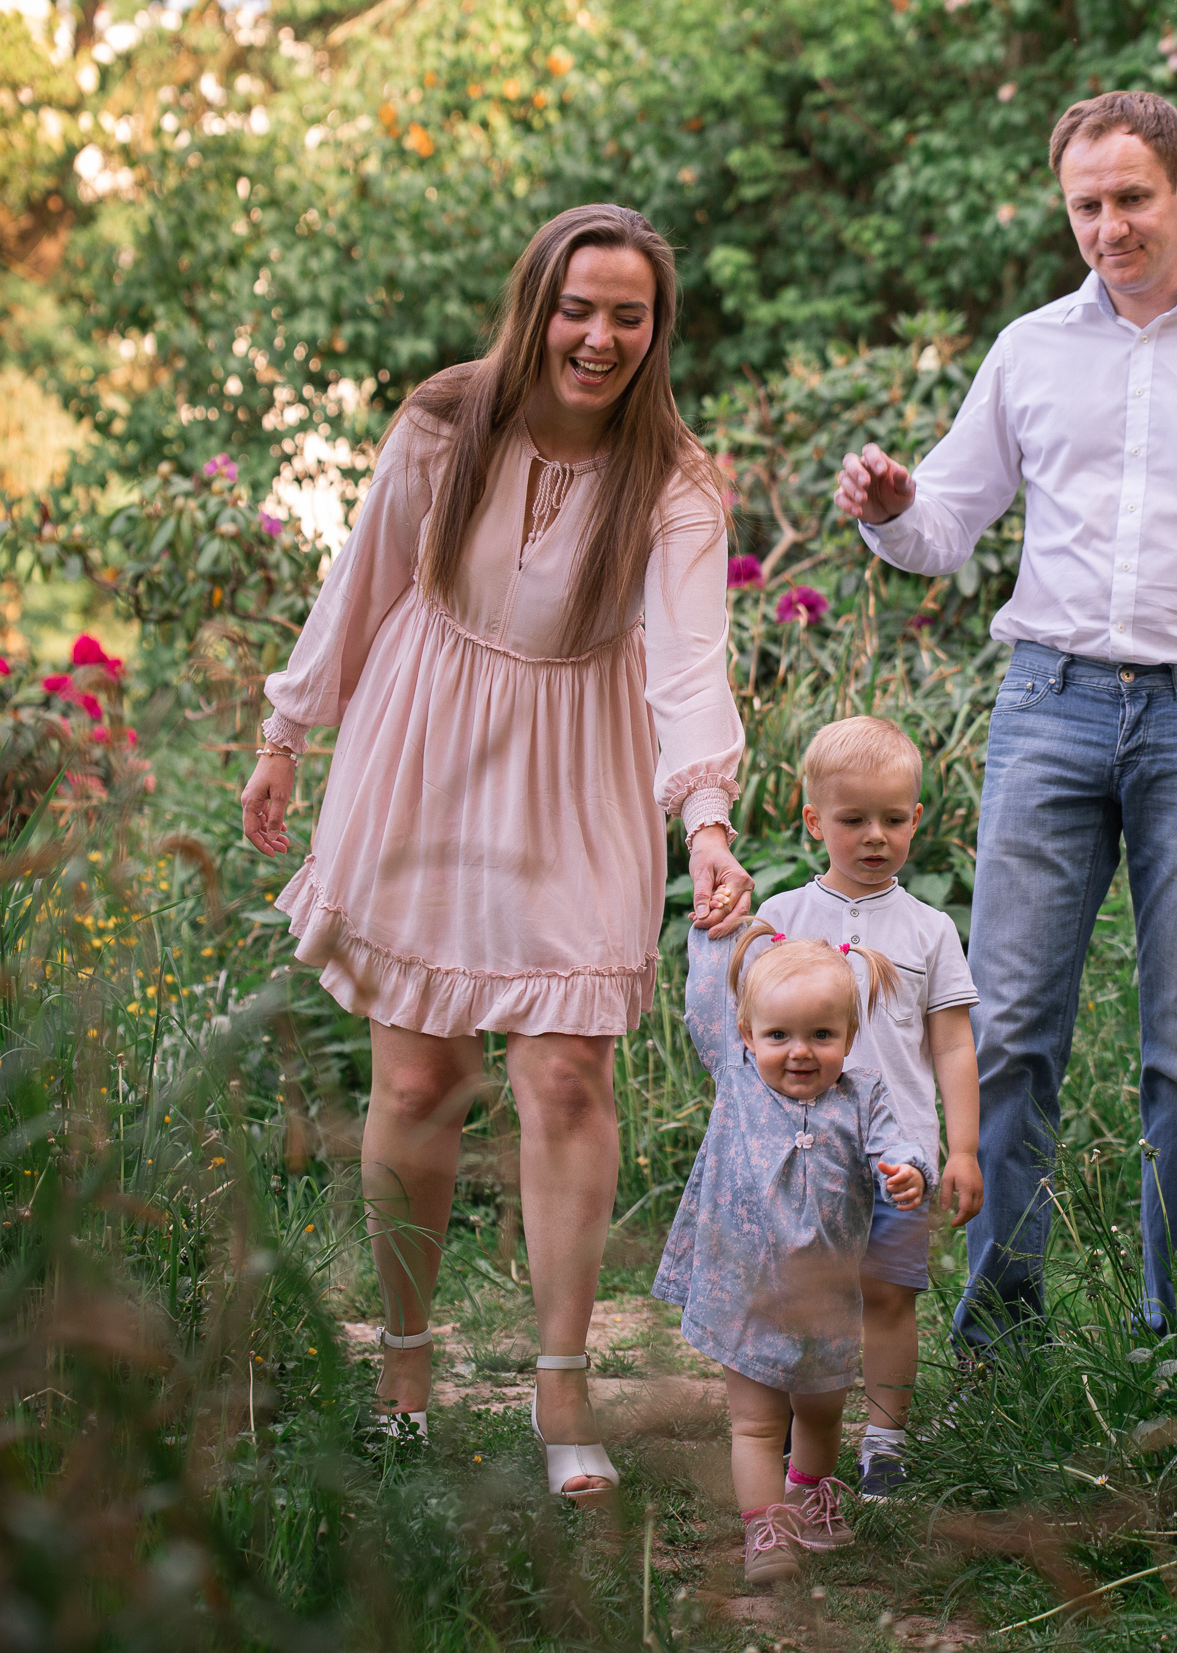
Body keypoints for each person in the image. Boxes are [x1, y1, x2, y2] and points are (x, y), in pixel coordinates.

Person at [833, 91, 1177, 1345]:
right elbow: (940, 531)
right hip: (1051, 705)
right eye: (1084, 205)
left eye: (1130, 198)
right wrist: (884, 504)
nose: (1106, 227)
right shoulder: (1029, 349)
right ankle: (1000, 1324)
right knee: (1010, 1031)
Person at [239, 204, 756, 1505]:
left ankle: (560, 1383)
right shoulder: (445, 424)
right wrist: (287, 733)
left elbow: (692, 665)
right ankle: (405, 1366)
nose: (599, 336)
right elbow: (361, 581)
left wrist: (706, 823)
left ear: (657, 328)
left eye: (628, 315)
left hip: (581, 759)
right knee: (416, 1083)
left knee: (568, 1076)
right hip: (426, 744)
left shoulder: (679, 480)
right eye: (579, 308)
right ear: (539, 307)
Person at [654, 918, 934, 1584]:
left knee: (821, 1407)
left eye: (822, 1035)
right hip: (744, 1290)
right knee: (755, 1421)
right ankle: (766, 1525)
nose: (800, 1052)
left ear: (850, 1038)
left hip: (827, 1294)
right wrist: (718, 923)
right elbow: (705, 999)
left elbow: (895, 1144)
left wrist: (906, 1169)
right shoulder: (739, 1080)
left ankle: (810, 1491)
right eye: (779, 1035)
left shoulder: (861, 1096)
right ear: (748, 1037)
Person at [754, 716, 981, 1499]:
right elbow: (747, 1035)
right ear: (814, 819)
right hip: (800, 1152)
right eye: (854, 819)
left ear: (918, 817)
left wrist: (961, 1148)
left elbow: (951, 1045)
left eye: (893, 817)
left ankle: (885, 1441)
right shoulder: (782, 919)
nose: (875, 835)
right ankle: (792, 1429)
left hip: (900, 1159)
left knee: (888, 1295)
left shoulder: (930, 929)